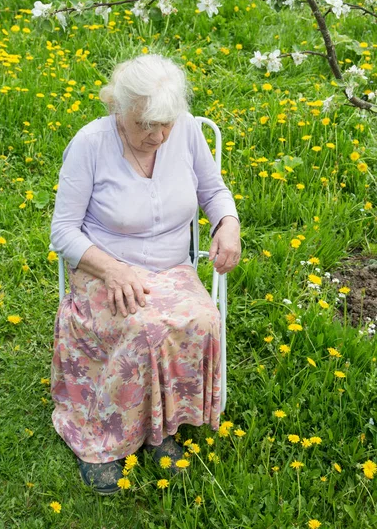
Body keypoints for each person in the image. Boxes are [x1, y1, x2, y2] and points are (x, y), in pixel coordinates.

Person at [49, 53, 241, 495]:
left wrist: (227, 223)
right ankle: (103, 441)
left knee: (201, 318)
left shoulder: (186, 129)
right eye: (144, 125)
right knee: (140, 326)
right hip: (103, 269)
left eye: (165, 124)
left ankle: (162, 428)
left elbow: (213, 190)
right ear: (119, 109)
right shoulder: (90, 143)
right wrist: (112, 269)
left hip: (173, 268)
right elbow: (62, 231)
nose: (157, 135)